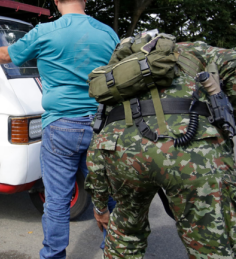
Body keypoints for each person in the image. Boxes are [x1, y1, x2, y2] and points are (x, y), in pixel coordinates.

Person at [0, 0, 119, 259]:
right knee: (108, 192)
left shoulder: (44, 32)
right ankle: (115, 249)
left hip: (60, 127)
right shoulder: (108, 34)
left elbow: (5, 55)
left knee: (57, 200)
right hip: (101, 127)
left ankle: (53, 255)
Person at [86, 38, 236, 258]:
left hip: (123, 153)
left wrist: (100, 206)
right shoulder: (195, 50)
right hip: (194, 151)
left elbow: (98, 143)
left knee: (125, 232)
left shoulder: (118, 72)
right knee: (209, 241)